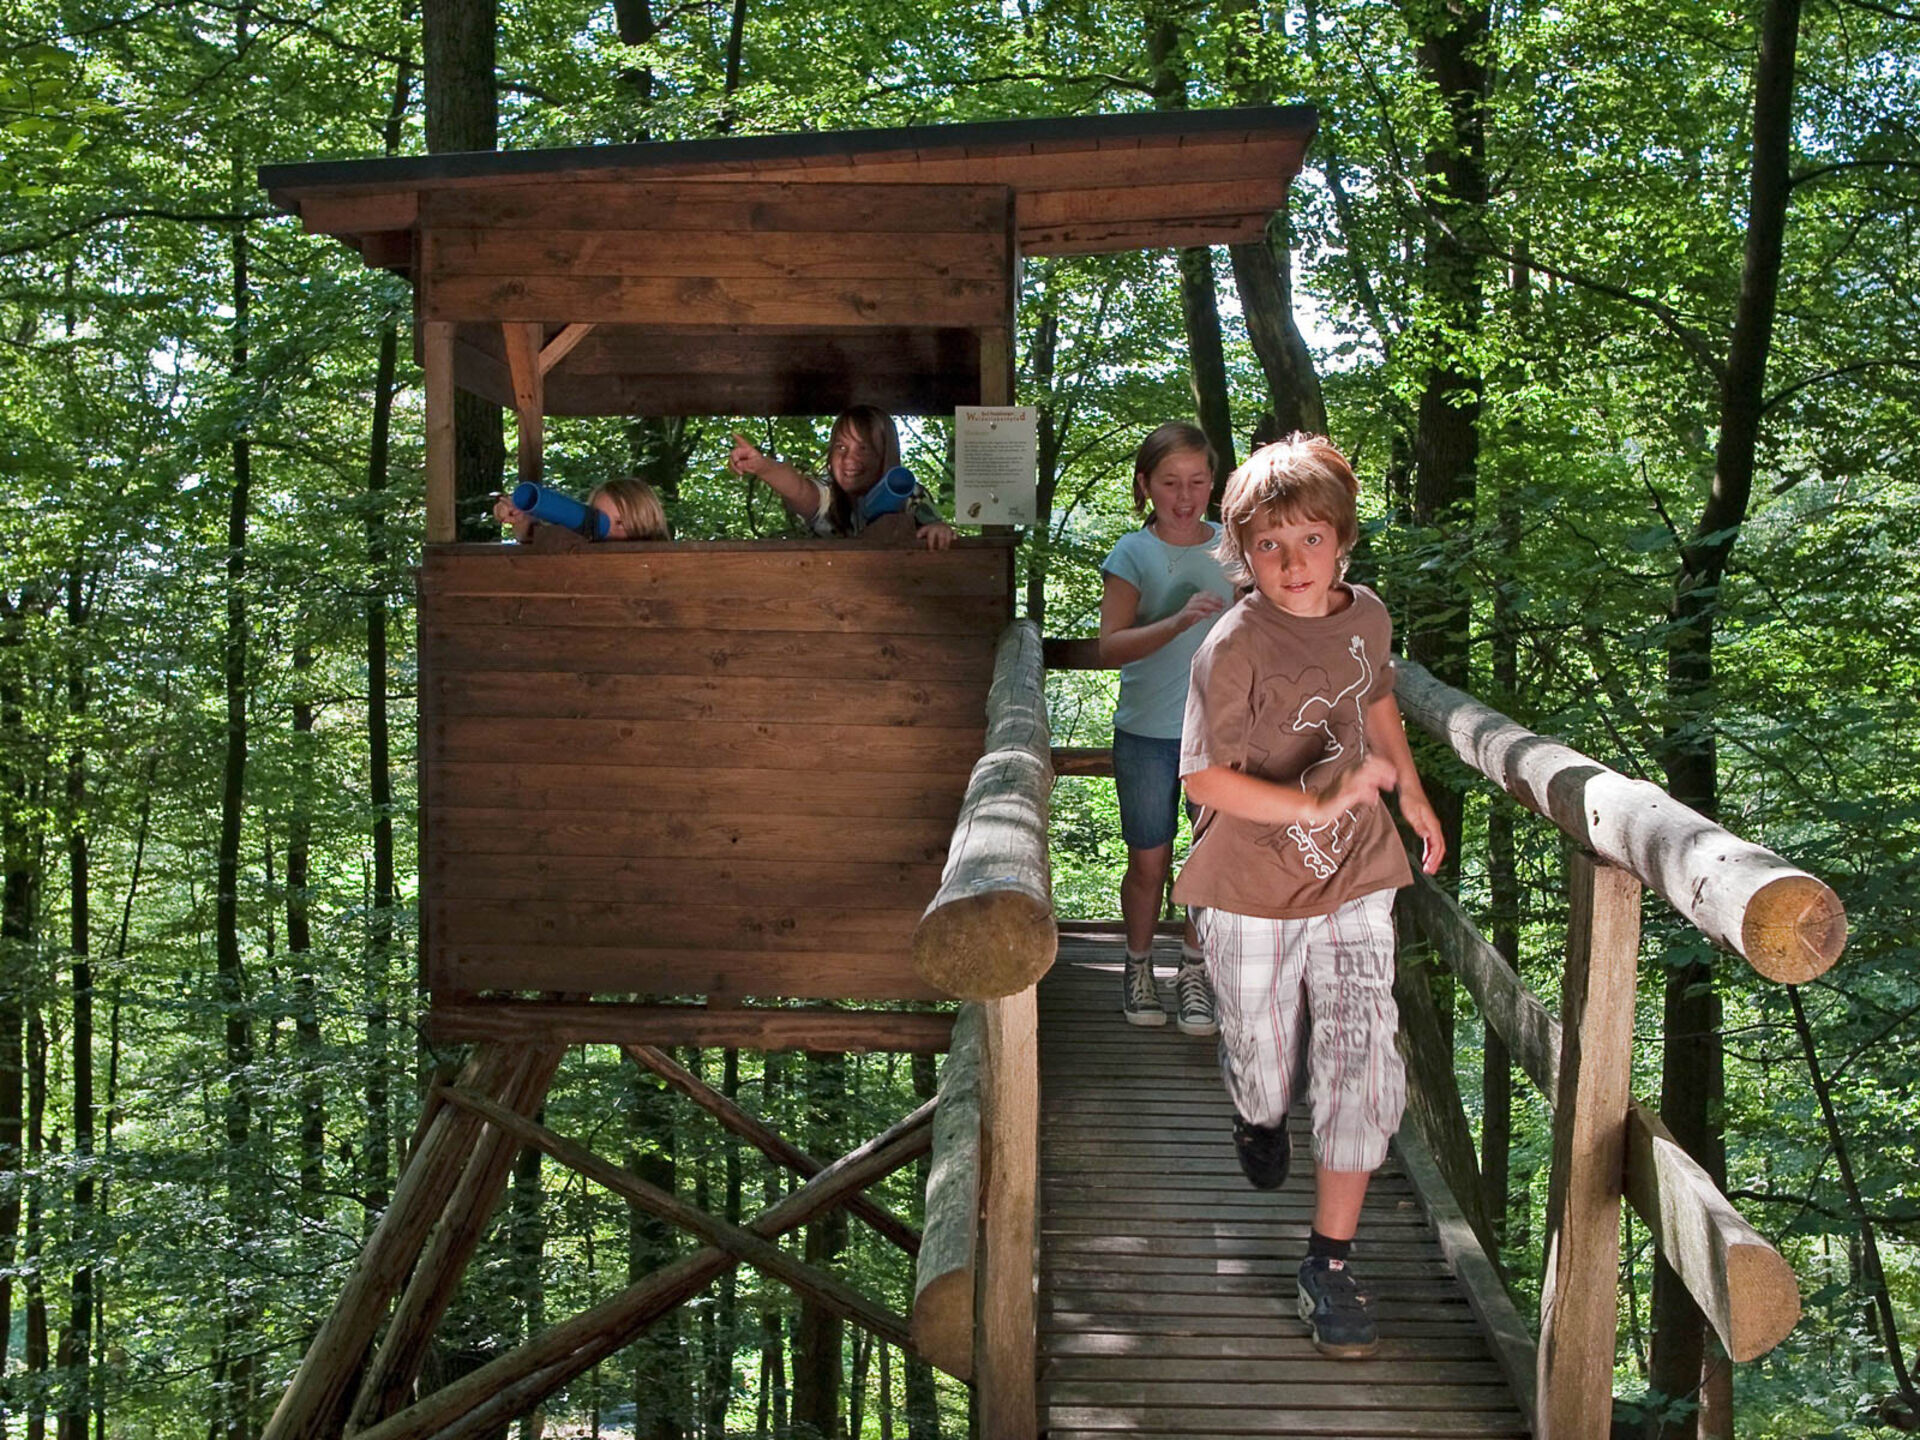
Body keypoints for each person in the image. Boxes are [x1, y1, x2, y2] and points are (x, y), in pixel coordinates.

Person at [1172, 434, 1444, 1360]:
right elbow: (1204, 783)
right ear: (1243, 555)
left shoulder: (1365, 616)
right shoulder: (1233, 647)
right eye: (1270, 547)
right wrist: (1313, 798)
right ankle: (1256, 1108)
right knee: (1259, 1046)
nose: (1293, 564)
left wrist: (1407, 789)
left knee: (1362, 1050)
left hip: (1355, 871)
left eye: (1312, 540)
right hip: (1249, 880)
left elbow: (1373, 703)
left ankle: (1328, 1263)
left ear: (1344, 540)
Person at [1097, 422, 1235, 1036]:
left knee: (1211, 860)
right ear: (1146, 484)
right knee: (1149, 861)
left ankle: (1196, 971)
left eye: (1198, 481)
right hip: (1147, 733)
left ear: (1215, 482)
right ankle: (1138, 966)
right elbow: (1111, 647)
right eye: (1171, 483)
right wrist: (1178, 622)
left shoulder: (1237, 549)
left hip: (1221, 735)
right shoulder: (1132, 552)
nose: (1185, 496)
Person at [727, 406, 956, 550]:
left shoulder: (909, 492)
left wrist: (938, 530)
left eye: (864, 448)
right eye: (841, 447)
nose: (849, 458)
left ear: (885, 454)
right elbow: (797, 488)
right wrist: (763, 466)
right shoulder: (828, 496)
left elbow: (934, 526)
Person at [494, 477, 671, 549]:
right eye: (599, 522)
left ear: (646, 522)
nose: (606, 532)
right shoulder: (583, 550)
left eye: (620, 523)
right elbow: (535, 538)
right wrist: (521, 520)